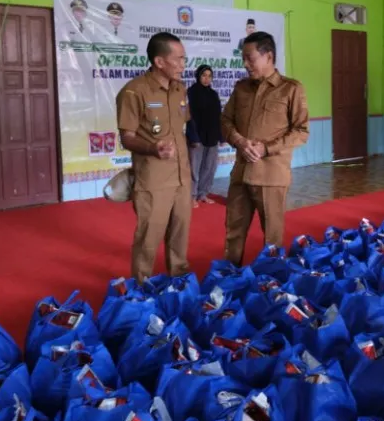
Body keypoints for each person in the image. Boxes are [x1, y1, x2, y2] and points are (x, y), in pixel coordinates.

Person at [221, 32, 309, 265]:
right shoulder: (241, 88)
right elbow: (225, 121)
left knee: (271, 236)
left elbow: (301, 131)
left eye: (250, 58)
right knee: (233, 232)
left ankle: (271, 285)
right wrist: (240, 141)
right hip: (240, 174)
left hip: (271, 176)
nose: (246, 64)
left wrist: (266, 149)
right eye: (244, 59)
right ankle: (230, 277)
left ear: (268, 56)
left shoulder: (291, 89)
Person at [115, 32, 192, 282]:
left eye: (184, 58)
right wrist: (152, 148)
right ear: (159, 62)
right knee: (149, 237)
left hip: (182, 177)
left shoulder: (180, 89)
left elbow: (181, 127)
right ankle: (140, 286)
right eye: (178, 59)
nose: (183, 64)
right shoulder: (134, 92)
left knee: (180, 234)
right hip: (154, 179)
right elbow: (127, 137)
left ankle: (179, 283)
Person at [186, 65, 222, 207]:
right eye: (204, 75)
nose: (207, 79)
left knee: (209, 167)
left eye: (209, 76)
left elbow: (218, 116)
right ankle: (191, 196)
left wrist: (221, 136)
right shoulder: (191, 93)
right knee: (194, 168)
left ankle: (203, 194)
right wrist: (193, 137)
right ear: (198, 76)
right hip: (197, 136)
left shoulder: (213, 94)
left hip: (212, 136)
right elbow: (188, 117)